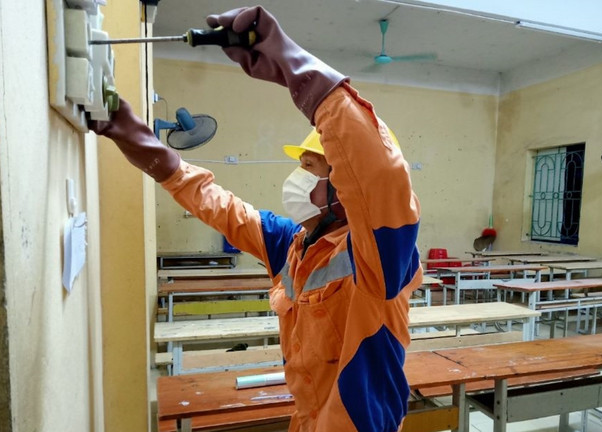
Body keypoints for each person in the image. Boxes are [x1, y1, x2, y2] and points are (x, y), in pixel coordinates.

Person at [90, 6, 421, 431]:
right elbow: (221, 207)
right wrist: (148, 148)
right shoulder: (293, 246)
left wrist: (298, 69)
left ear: (344, 186)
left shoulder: (380, 258)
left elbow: (379, 174)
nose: (298, 178)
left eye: (310, 167)